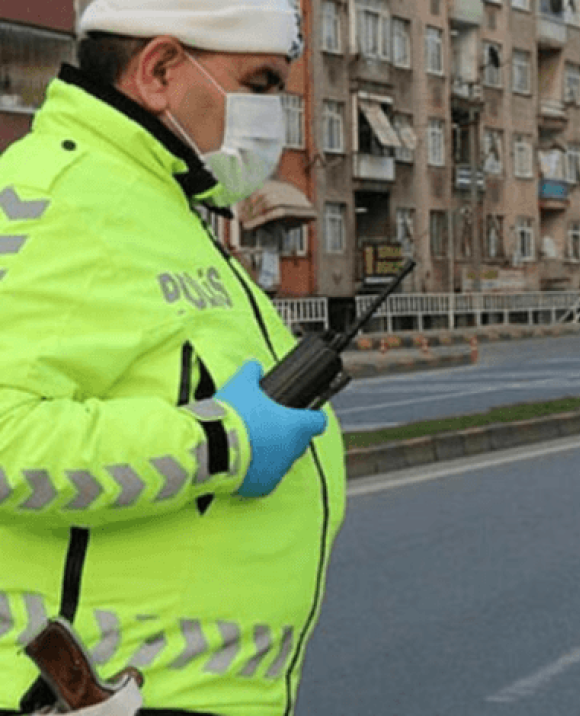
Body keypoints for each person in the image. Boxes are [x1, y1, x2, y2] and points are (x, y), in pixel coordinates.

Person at [0, 2, 344, 715]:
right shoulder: (60, 199)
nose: (271, 115)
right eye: (260, 82)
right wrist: (223, 441)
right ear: (159, 70)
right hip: (89, 697)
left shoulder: (156, 205)